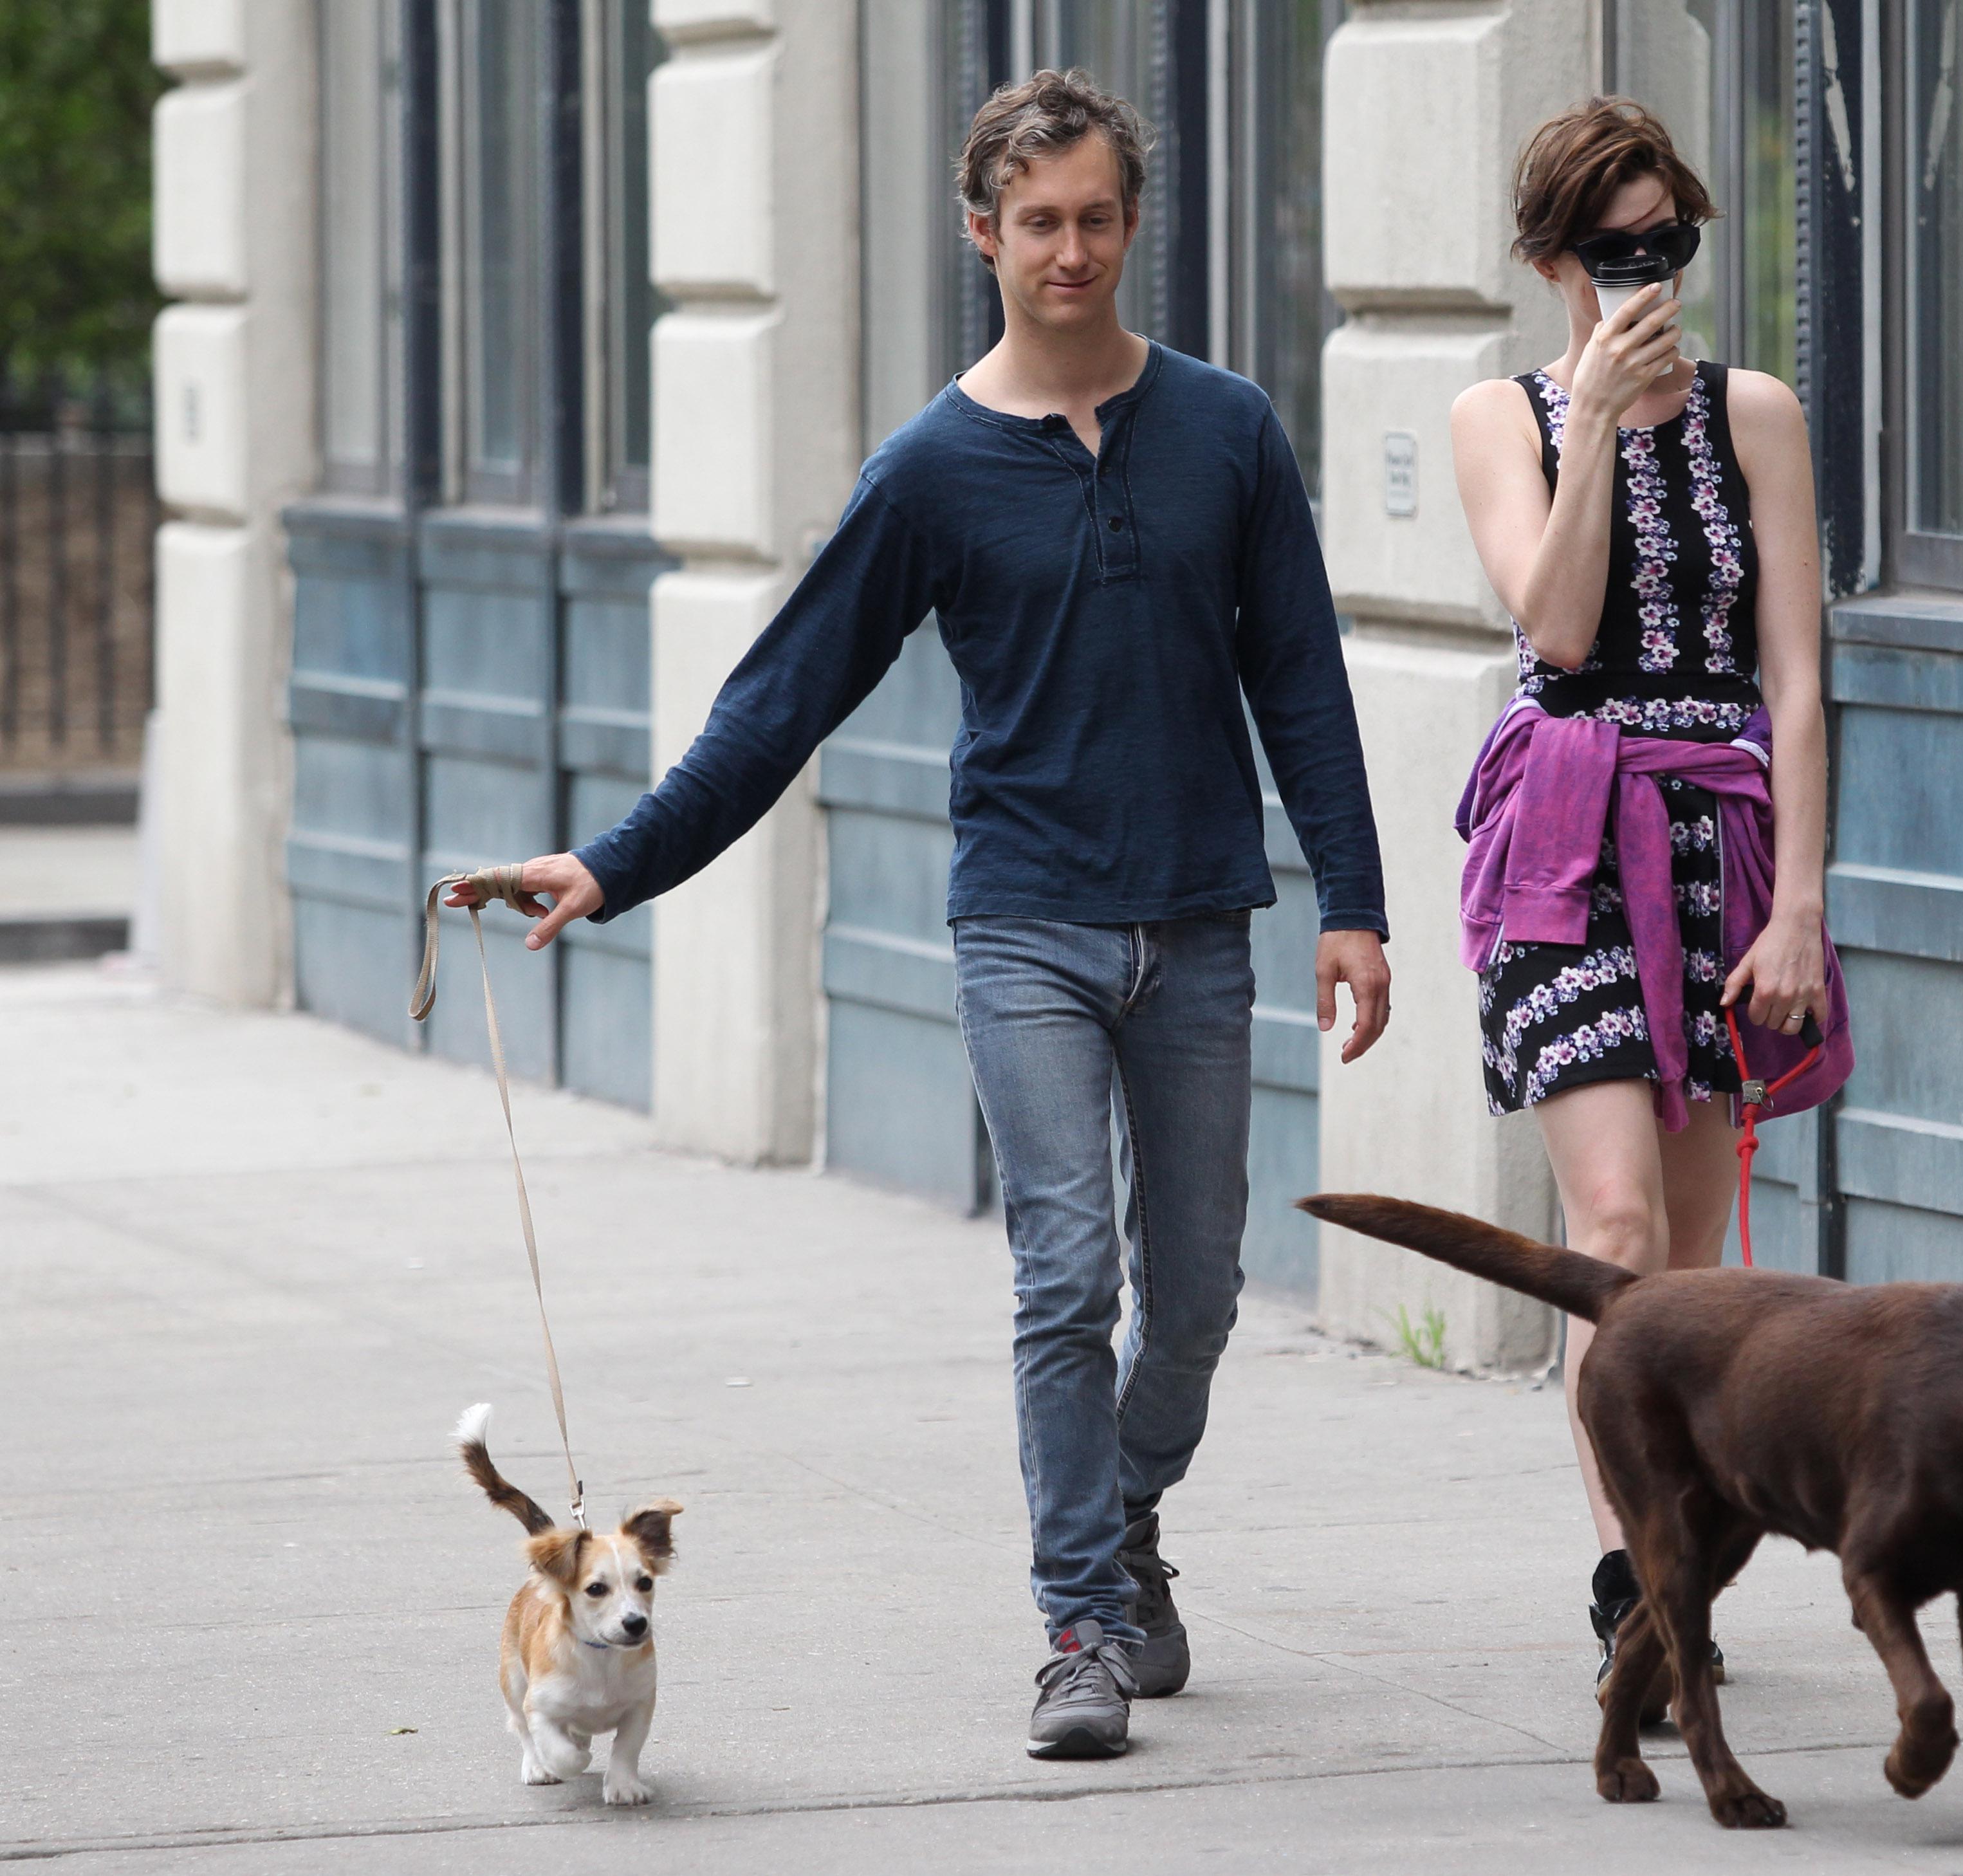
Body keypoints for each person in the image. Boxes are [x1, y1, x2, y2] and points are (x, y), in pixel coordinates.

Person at [452, 69, 1390, 1762]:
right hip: (1022, 916)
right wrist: (613, 861)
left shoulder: (1228, 429)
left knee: (1194, 1290)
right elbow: (778, 699)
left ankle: (1123, 1508)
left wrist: (1355, 903)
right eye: (1038, 222)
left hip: (1196, 919)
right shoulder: (932, 470)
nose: (1072, 250)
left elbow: (1300, 679)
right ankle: (1077, 1627)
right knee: (1063, 1270)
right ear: (982, 234)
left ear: (1129, 222)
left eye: (1099, 217)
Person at [1448, 98, 1849, 1703]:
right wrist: (1602, 422)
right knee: (1611, 1233)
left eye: (1669, 242)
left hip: (1717, 850)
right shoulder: (1505, 415)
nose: (1647, 278)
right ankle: (1647, 1582)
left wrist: (1801, 906)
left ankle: (1671, 1545)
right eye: (1617, 252)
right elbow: (1552, 628)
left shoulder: (1759, 412)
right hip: (1556, 837)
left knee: (1688, 1277)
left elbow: (1801, 681)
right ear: (1554, 259)